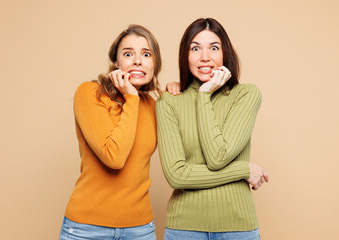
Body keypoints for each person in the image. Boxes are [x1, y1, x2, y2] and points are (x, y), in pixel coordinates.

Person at [156, 18, 269, 240]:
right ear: (185, 56)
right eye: (195, 48)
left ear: (225, 53)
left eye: (214, 48)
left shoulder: (246, 95)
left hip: (239, 228)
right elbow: (177, 176)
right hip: (184, 229)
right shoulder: (169, 101)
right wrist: (243, 170)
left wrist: (204, 94)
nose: (204, 57)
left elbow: (218, 156)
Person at [59, 24, 164, 240]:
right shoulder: (89, 93)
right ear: (116, 63)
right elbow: (114, 157)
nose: (137, 61)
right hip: (86, 229)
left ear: (155, 64)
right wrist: (132, 98)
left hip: (140, 229)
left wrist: (181, 90)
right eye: (128, 54)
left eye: (146, 54)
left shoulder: (154, 106)